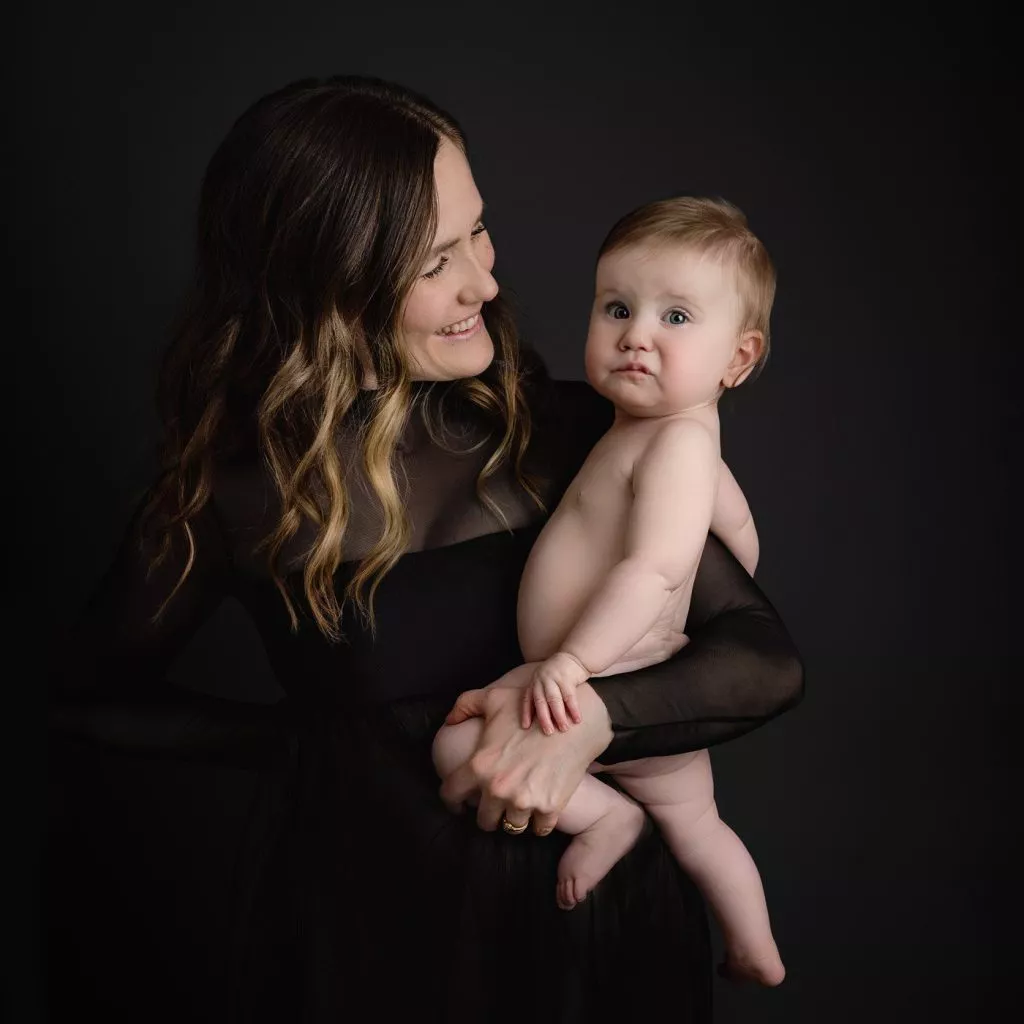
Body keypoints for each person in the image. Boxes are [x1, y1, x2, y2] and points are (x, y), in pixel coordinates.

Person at [47, 75, 804, 1023]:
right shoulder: (225, 498)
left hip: (594, 930)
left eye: (476, 232)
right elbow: (84, 699)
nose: (484, 281)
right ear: (326, 282)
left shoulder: (574, 431)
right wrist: (320, 750)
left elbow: (763, 660)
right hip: (373, 937)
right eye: (432, 258)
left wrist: (596, 718)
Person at [433, 195, 786, 986]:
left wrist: (576, 663)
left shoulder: (677, 447)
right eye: (618, 308)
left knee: (691, 825)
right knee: (694, 824)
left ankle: (731, 927)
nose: (637, 335)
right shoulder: (650, 431)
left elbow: (655, 570)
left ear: (738, 358)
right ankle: (746, 943)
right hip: (586, 669)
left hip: (605, 674)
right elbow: (736, 532)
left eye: (677, 318)